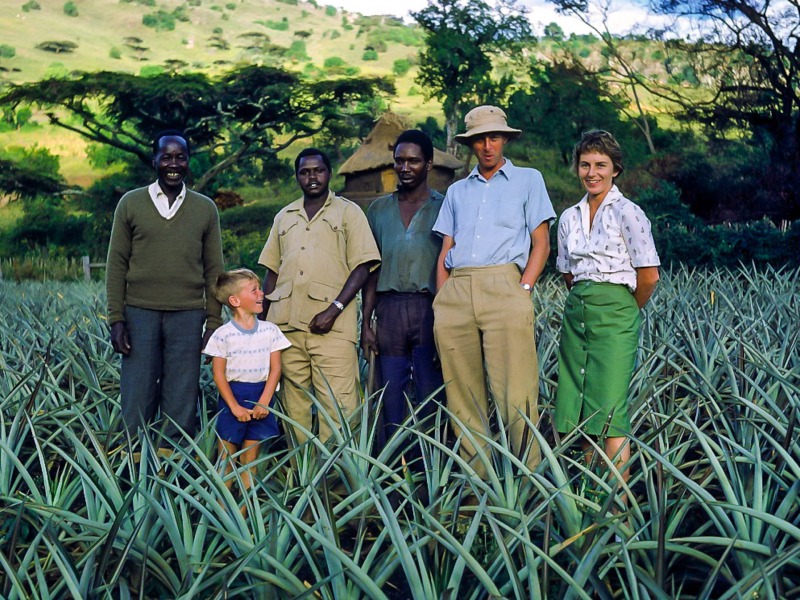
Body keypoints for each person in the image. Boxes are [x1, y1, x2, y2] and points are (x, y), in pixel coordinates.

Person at [432, 106, 556, 476]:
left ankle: (530, 478)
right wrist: (442, 300)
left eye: (494, 137)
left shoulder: (528, 180)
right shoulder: (456, 191)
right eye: (479, 140)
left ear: (504, 139)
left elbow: (542, 244)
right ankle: (478, 483)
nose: (487, 146)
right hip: (457, 289)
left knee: (515, 393)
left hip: (506, 286)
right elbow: (445, 250)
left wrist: (523, 289)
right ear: (469, 144)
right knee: (463, 395)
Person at [106, 130, 225, 446]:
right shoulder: (130, 203)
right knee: (137, 389)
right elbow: (116, 263)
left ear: (188, 161)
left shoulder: (205, 209)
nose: (174, 164)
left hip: (187, 315)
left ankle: (171, 464)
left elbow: (215, 271)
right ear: (155, 159)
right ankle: (133, 461)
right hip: (138, 313)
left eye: (181, 157)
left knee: (182, 391)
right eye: (167, 156)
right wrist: (116, 320)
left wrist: (213, 322)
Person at [554, 130, 660, 481]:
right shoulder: (569, 216)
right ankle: (590, 497)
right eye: (585, 164)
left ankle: (618, 508)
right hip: (577, 314)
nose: (592, 172)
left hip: (616, 315)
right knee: (582, 407)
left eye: (601, 164)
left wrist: (626, 310)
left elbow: (649, 275)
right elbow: (569, 273)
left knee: (611, 409)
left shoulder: (629, 212)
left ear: (616, 168)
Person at [258, 148, 380, 445]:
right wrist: (260, 324)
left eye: (318, 170)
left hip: (332, 328)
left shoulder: (348, 212)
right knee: (294, 405)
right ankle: (303, 477)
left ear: (329, 173)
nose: (312, 177)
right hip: (285, 326)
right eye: (304, 172)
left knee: (339, 406)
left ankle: (338, 486)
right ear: (297, 176)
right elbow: (272, 271)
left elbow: (363, 266)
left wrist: (334, 309)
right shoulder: (284, 216)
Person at [361, 129, 446, 452]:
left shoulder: (445, 206)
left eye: (413, 161)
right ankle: (392, 469)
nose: (406, 167)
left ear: (429, 164)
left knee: (430, 391)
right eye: (399, 161)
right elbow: (371, 269)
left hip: (430, 308)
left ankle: (432, 467)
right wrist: (366, 322)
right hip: (390, 309)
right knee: (390, 392)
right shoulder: (379, 210)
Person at [204, 269, 291, 493]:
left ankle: (244, 518)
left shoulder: (270, 331)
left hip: (261, 398)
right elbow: (219, 375)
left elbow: (275, 369)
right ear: (235, 300)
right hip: (233, 398)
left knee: (250, 463)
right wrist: (234, 406)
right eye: (254, 290)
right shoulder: (222, 335)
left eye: (259, 289)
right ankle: (224, 515)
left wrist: (264, 401)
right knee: (226, 461)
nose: (261, 293)